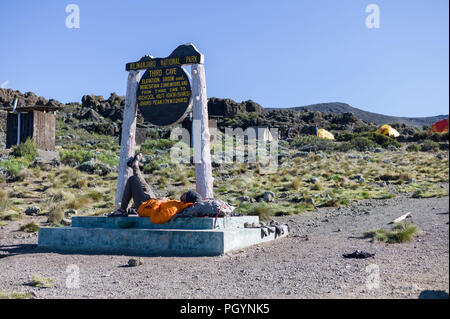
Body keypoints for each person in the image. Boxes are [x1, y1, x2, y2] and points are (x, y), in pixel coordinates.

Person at [109, 152, 202, 224]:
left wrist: (160, 201)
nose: (184, 193)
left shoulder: (174, 209)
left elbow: (155, 219)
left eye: (186, 194)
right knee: (144, 185)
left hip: (143, 207)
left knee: (132, 180)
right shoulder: (179, 204)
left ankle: (122, 210)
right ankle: (134, 166)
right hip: (151, 202)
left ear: (187, 199)